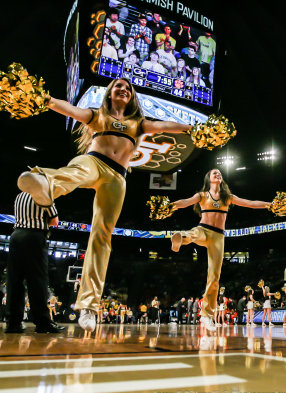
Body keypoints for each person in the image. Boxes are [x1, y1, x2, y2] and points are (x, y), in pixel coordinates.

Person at [17, 78, 193, 332]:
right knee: (77, 170)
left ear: (132, 97)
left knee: (101, 236)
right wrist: (43, 99)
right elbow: (68, 108)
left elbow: (166, 125)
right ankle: (44, 182)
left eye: (127, 88)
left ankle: (88, 306)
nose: (122, 89)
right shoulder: (98, 116)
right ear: (109, 94)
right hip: (94, 162)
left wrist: (192, 129)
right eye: (117, 86)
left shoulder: (138, 124)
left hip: (116, 178)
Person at [170, 169, 270, 331]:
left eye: (219, 173)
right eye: (214, 173)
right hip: (204, 229)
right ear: (208, 178)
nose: (217, 174)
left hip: (218, 237)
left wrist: (270, 205)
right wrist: (171, 206)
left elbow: (250, 203)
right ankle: (180, 239)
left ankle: (206, 315)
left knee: (214, 277)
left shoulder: (227, 197)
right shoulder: (202, 195)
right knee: (193, 233)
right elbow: (185, 201)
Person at [5, 192, 64, 333]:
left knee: (15, 281)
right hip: (35, 237)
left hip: (16, 236)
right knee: (37, 281)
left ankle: (13, 324)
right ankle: (43, 323)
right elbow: (55, 221)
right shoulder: (43, 194)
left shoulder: (19, 195)